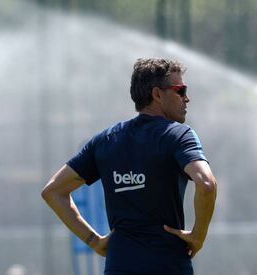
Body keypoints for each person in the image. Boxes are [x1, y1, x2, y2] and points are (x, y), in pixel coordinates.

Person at [41, 58, 217, 275]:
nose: (187, 98)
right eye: (180, 90)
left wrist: (94, 241)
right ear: (157, 94)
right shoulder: (179, 135)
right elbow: (207, 184)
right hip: (169, 265)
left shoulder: (106, 141)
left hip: (119, 265)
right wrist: (198, 236)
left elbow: (53, 191)